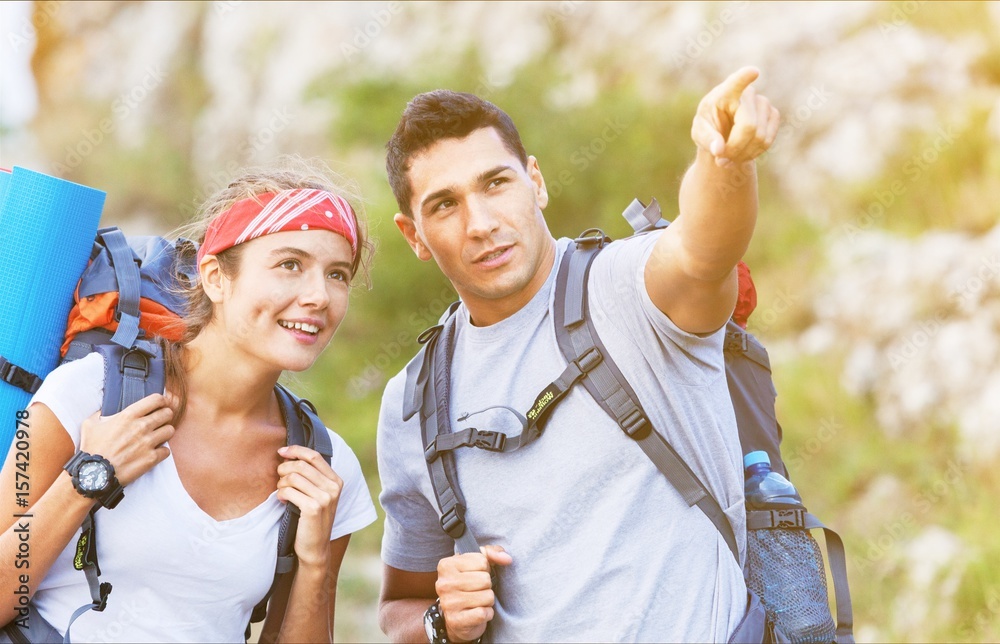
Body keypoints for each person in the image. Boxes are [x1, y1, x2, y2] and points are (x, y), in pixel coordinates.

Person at [376, 67, 780, 642]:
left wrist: (724, 163)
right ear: (413, 234)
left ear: (535, 181)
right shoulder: (412, 402)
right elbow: (399, 609)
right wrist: (442, 621)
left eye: (496, 183)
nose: (482, 223)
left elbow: (702, 252)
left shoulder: (624, 288)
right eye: (444, 205)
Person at [0, 158, 378, 643]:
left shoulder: (325, 467)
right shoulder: (86, 392)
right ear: (216, 277)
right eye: (290, 264)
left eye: (338, 275)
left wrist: (315, 562)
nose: (319, 296)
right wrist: (86, 478)